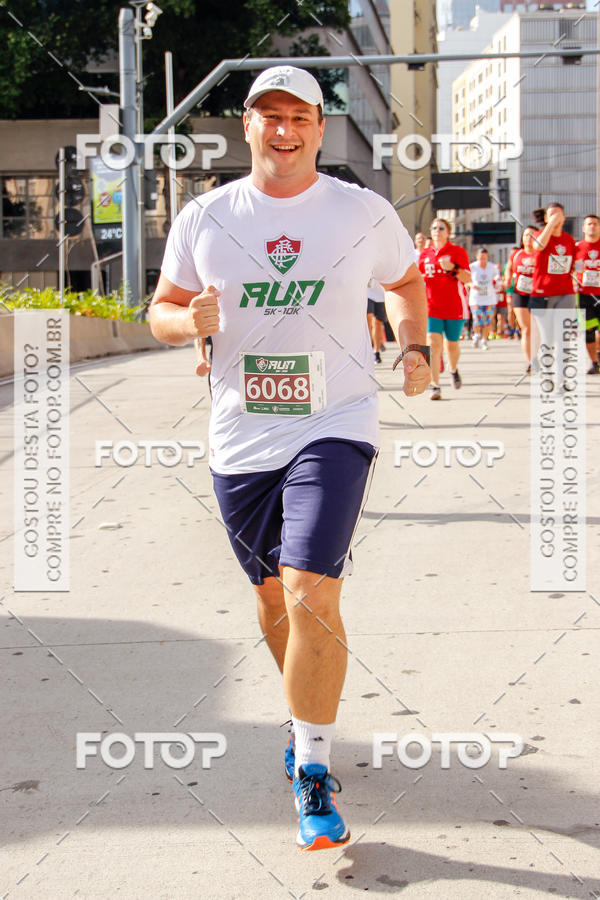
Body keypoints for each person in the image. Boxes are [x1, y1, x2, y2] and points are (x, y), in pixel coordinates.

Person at [148, 65, 430, 851]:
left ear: (319, 126)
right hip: (241, 435)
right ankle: (301, 716)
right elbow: (161, 310)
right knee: (274, 599)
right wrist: (186, 322)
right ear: (247, 125)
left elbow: (406, 283)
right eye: (268, 115)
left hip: (335, 420)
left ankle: (311, 766)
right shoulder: (206, 215)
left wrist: (415, 343)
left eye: (299, 116)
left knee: (310, 589)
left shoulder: (359, 210)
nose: (284, 129)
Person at [417, 218, 471, 400]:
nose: (437, 231)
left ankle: (453, 369)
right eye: (434, 228)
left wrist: (453, 268)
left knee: (452, 345)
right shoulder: (425, 254)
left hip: (454, 306)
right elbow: (418, 278)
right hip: (431, 307)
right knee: (433, 344)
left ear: (448, 232)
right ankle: (435, 385)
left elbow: (467, 279)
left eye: (441, 228)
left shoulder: (457, 252)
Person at [530, 203, 576, 353]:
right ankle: (546, 370)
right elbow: (538, 246)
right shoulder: (539, 235)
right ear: (546, 218)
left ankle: (563, 374)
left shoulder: (569, 240)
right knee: (548, 338)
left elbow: (573, 264)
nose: (556, 218)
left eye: (559, 215)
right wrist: (550, 225)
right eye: (552, 215)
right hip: (543, 294)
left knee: (563, 335)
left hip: (566, 292)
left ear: (564, 218)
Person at [504, 228, 538, 373]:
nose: (528, 238)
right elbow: (509, 268)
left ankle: (538, 355)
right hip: (520, 293)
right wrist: (507, 278)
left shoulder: (540, 254)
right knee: (526, 329)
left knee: (537, 329)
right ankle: (530, 361)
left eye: (532, 235)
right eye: (525, 235)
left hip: (537, 294)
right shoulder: (516, 254)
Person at [574, 213, 600, 375]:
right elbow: (575, 269)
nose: (592, 226)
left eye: (595, 224)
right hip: (584, 295)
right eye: (589, 224)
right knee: (588, 333)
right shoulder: (577, 248)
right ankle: (594, 363)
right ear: (583, 228)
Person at [367, 278, 388, 364]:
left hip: (381, 295)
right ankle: (369, 348)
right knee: (369, 318)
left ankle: (376, 351)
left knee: (378, 323)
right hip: (368, 293)